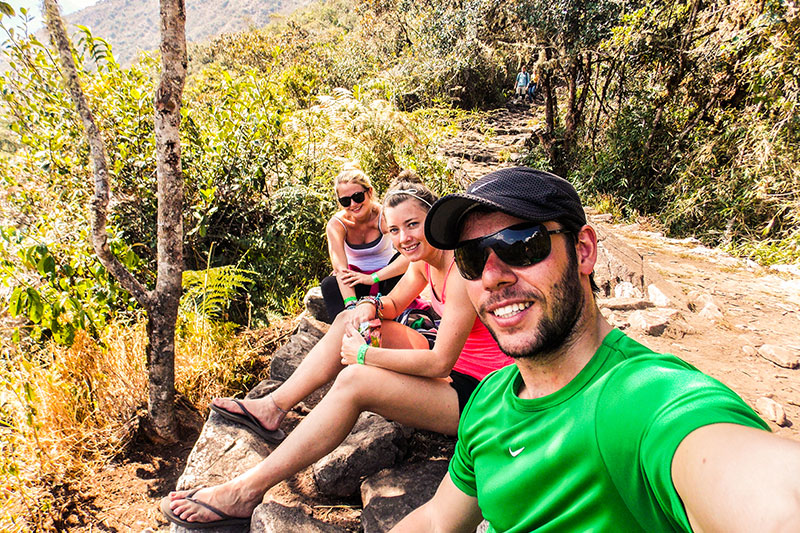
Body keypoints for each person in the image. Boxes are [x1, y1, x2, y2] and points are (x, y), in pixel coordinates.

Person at [391, 166, 800, 532]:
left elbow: (768, 495)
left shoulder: (643, 399)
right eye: (473, 257)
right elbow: (436, 520)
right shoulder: (490, 400)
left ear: (583, 250)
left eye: (522, 244)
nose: (493, 276)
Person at [160, 175, 513, 528]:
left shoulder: (460, 270)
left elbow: (439, 363)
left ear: (434, 219)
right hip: (454, 374)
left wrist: (363, 355)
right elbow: (393, 302)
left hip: (481, 394)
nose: (403, 238)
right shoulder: (424, 260)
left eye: (412, 225)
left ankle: (246, 491)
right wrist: (370, 307)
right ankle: (272, 408)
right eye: (394, 230)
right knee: (347, 317)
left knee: (355, 381)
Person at [320, 164, 409, 322]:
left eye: (358, 197)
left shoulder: (385, 216)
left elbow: (410, 255)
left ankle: (395, 317)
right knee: (329, 284)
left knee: (399, 262)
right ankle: (346, 324)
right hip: (356, 281)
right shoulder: (337, 225)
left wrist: (374, 277)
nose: (353, 204)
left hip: (385, 277)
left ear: (369, 192)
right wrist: (351, 305)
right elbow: (340, 269)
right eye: (346, 201)